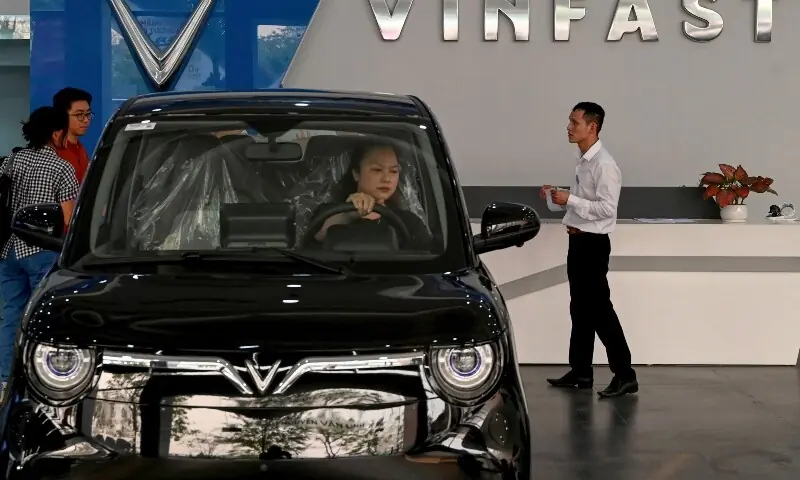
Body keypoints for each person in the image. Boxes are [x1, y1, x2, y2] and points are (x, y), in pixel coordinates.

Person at [542, 102, 638, 398]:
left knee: (599, 311)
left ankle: (625, 374)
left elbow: (608, 210)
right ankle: (581, 371)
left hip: (593, 245)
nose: (569, 127)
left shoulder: (604, 165)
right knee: (580, 309)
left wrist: (569, 199)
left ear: (591, 127)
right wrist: (559, 196)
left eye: (574, 122)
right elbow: (585, 204)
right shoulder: (583, 161)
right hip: (578, 242)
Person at [0, 107, 79, 383]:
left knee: (11, 313)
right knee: (41, 318)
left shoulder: (11, 161)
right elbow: (68, 217)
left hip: (8, 248)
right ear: (56, 133)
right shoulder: (62, 167)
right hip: (41, 250)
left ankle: (4, 378)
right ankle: (34, 377)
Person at [311, 140, 431, 250]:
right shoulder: (328, 212)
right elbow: (315, 238)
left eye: (393, 171)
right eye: (377, 170)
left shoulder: (409, 222)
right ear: (356, 173)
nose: (387, 178)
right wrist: (348, 213)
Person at [53, 87, 93, 184]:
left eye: (88, 114)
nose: (86, 120)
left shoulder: (81, 149)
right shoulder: (54, 152)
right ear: (63, 116)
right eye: (79, 115)